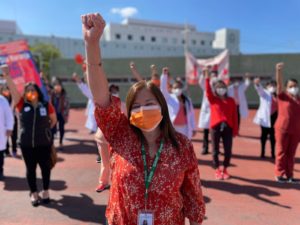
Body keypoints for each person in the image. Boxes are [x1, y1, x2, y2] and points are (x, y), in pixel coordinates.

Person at [81, 13, 205, 225]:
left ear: (162, 108)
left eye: (149, 104)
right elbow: (101, 96)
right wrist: (92, 43)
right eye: (135, 106)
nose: (142, 110)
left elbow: (193, 200)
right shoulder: (120, 134)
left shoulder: (182, 146)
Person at [2, 64, 57, 206]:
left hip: (44, 144)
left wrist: (46, 131)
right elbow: (14, 90)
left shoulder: (46, 105)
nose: (30, 92)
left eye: (33, 90)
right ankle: (34, 193)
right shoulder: (21, 104)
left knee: (45, 169)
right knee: (30, 170)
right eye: (28, 91)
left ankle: (45, 191)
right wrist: (7, 76)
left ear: (37, 92)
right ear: (25, 93)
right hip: (26, 145)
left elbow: (54, 120)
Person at [205, 67, 238, 180]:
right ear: (215, 89)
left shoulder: (231, 100)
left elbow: (235, 116)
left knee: (228, 150)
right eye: (218, 88)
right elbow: (208, 91)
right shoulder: (213, 99)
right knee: (215, 150)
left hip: (228, 127)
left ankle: (225, 168)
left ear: (226, 88)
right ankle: (217, 169)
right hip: (215, 127)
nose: (221, 89)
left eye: (223, 87)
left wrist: (235, 130)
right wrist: (206, 78)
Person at [94, 84, 126, 193]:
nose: (114, 93)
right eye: (112, 91)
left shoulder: (123, 105)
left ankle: (118, 184)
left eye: (116, 91)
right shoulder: (102, 105)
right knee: (105, 161)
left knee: (118, 163)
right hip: (103, 139)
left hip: (118, 140)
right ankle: (103, 182)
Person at [274, 62, 300, 183]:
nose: (293, 88)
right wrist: (279, 71)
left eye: (295, 86)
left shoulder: (299, 100)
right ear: (287, 87)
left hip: (295, 131)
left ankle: (290, 175)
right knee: (281, 152)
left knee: (291, 154)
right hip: (282, 129)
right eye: (291, 86)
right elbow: (279, 85)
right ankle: (279, 174)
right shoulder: (283, 96)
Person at [160, 67, 196, 139]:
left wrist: (193, 128)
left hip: (185, 127)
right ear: (172, 89)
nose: (177, 89)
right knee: (174, 146)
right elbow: (163, 89)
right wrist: (164, 75)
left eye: (179, 87)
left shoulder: (187, 100)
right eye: (175, 88)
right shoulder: (169, 98)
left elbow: (191, 115)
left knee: (184, 146)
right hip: (173, 127)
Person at [253, 78, 278, 158]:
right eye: (270, 85)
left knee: (273, 136)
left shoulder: (278, 95)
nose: (272, 87)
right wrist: (257, 84)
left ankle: (273, 153)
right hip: (265, 118)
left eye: (274, 86)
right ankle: (262, 152)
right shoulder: (264, 93)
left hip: (275, 117)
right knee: (264, 135)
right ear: (267, 86)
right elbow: (259, 89)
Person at [197, 70, 218, 155]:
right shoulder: (206, 86)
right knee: (206, 132)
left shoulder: (218, 88)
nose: (213, 77)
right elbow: (201, 81)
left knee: (216, 132)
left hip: (215, 112)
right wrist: (204, 74)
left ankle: (215, 149)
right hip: (206, 112)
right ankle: (205, 148)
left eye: (215, 76)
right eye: (211, 76)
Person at [51, 79, 70, 148]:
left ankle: (61, 142)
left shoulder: (64, 94)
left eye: (59, 86)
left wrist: (66, 115)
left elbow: (67, 105)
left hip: (61, 114)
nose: (58, 87)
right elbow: (50, 103)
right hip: (53, 114)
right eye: (56, 85)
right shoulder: (52, 94)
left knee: (61, 128)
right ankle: (52, 143)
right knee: (52, 128)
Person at [0, 85, 18, 157]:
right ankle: (6, 151)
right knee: (5, 136)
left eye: (7, 90)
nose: (6, 91)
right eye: (4, 90)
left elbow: (14, 108)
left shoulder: (12, 99)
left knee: (14, 136)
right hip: (3, 121)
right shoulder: (2, 99)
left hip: (13, 118)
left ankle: (14, 150)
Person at [0, 89, 14, 180]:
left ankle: (0, 171)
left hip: (0, 131)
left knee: (0, 154)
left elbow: (9, 115)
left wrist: (9, 128)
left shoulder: (3, 100)